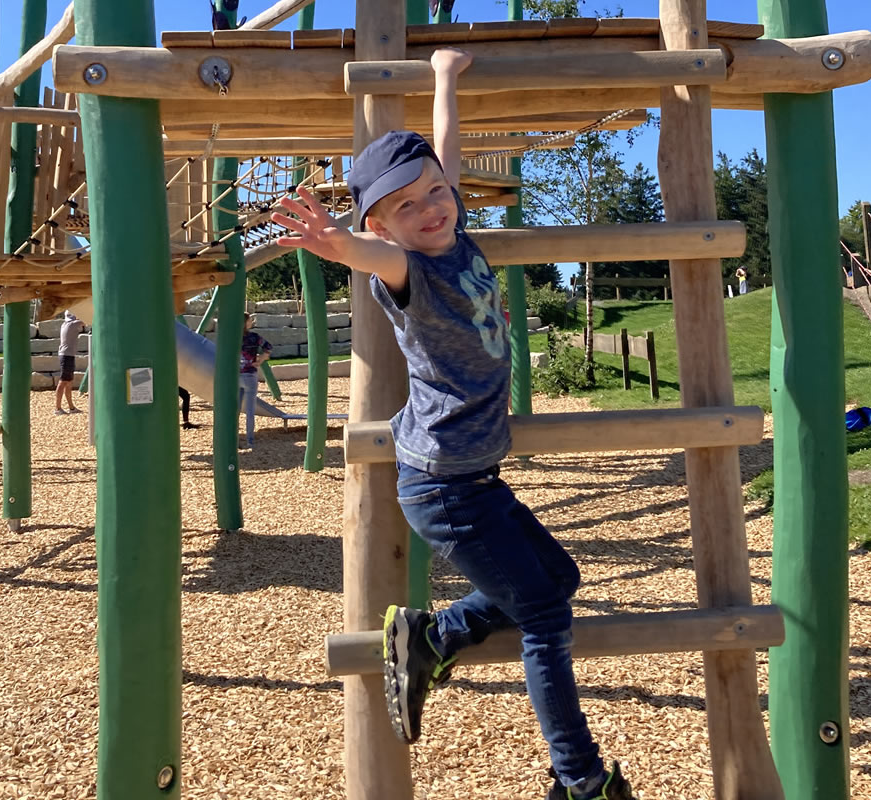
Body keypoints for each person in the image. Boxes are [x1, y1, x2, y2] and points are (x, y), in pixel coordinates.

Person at [271, 48, 632, 800]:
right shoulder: (411, 271)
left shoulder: (454, 236)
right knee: (543, 615)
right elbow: (373, 256)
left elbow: (447, 157)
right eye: (407, 206)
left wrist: (442, 80)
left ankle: (435, 634)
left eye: (436, 192)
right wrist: (339, 245)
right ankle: (580, 779)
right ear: (381, 225)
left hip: (476, 477)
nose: (431, 207)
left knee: (559, 579)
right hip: (443, 487)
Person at [238, 313, 271, 449]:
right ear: (246, 323)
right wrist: (260, 360)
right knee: (250, 410)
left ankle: (232, 439)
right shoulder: (254, 337)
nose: (252, 322)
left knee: (236, 409)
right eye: (250, 320)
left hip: (236, 376)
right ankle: (250, 440)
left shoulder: (232, 337)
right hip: (250, 375)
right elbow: (268, 348)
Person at [55, 310, 84, 415]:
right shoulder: (73, 324)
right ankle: (57, 408)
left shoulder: (65, 324)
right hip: (67, 356)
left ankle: (71, 407)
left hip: (67, 355)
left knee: (69, 382)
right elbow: (87, 320)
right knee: (63, 382)